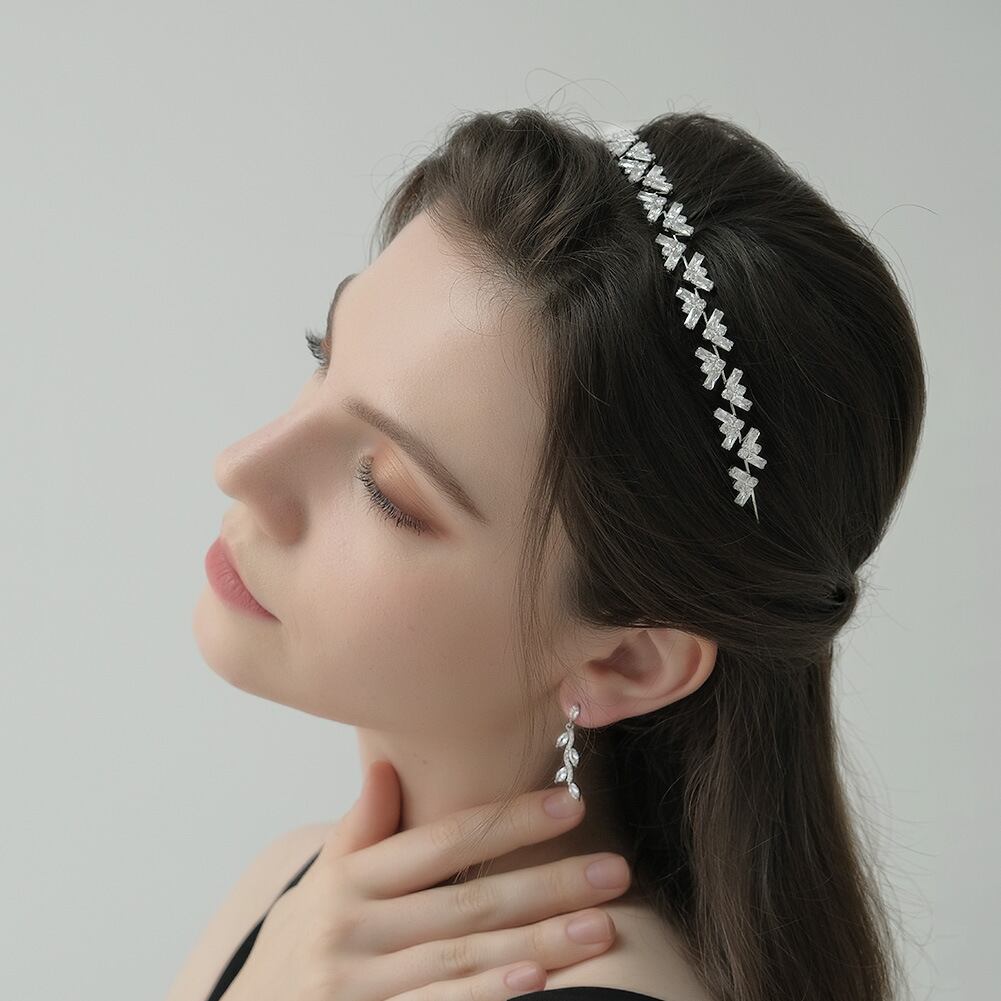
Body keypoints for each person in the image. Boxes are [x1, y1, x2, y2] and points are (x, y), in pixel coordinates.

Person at [171, 108, 926, 1001]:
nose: (241, 466)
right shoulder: (298, 904)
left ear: (624, 658)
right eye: (322, 357)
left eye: (386, 489)